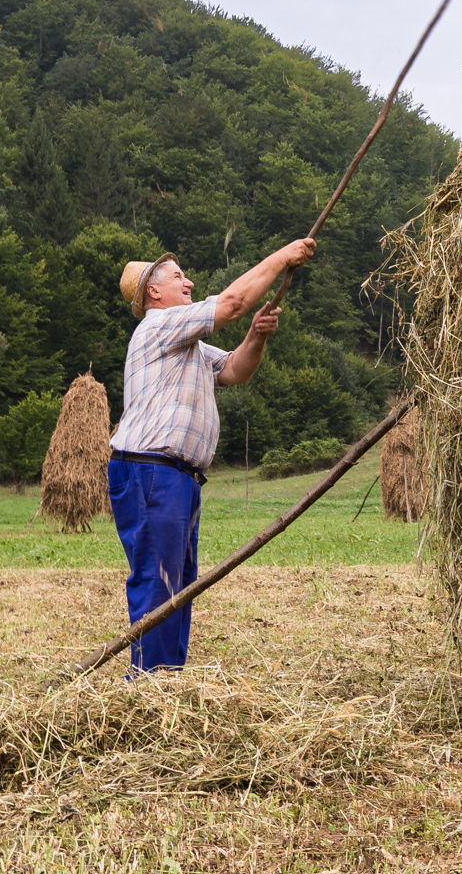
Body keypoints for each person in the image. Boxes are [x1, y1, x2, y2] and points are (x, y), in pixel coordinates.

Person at [108, 238, 316, 671]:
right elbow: (233, 303)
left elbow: (236, 370)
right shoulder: (159, 327)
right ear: (153, 292)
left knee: (179, 584)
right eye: (179, 277)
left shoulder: (191, 346)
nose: (189, 282)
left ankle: (167, 677)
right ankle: (149, 681)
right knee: (158, 580)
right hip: (151, 471)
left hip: (176, 476)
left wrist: (256, 337)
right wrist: (282, 256)